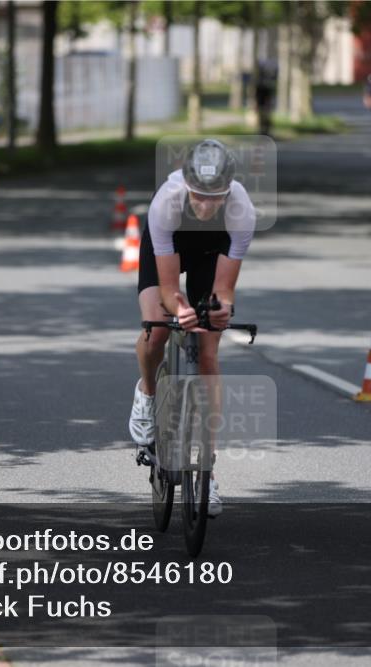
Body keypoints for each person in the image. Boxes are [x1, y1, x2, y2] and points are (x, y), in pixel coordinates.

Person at [129, 139, 256, 517]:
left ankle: (208, 472)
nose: (205, 204)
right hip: (168, 245)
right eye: (198, 195)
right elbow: (169, 290)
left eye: (214, 197)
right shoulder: (166, 202)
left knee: (208, 352)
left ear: (228, 190)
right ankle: (148, 394)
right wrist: (180, 308)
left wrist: (220, 310)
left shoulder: (241, 210)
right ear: (186, 187)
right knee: (159, 329)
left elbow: (224, 290)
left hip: (210, 253)